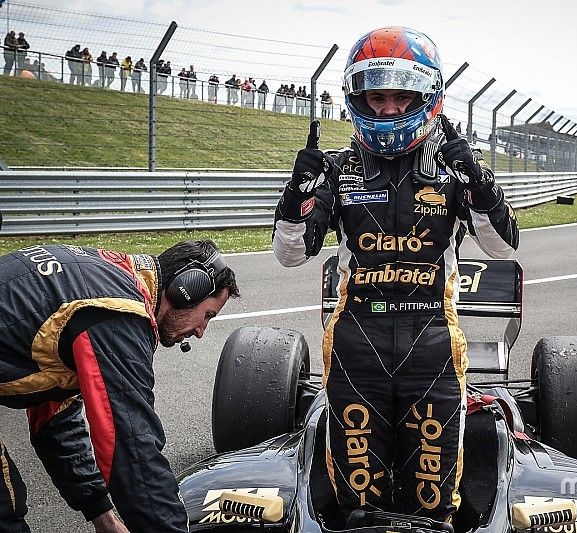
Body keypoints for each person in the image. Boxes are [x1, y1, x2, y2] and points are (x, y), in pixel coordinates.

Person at [272, 26, 519, 524]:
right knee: (359, 497)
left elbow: (500, 248)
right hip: (355, 341)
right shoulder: (339, 170)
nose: (386, 109)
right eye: (376, 97)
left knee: (432, 499)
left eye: (400, 97)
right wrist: (296, 195)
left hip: (432, 342)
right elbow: (292, 255)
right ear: (357, 98)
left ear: (427, 99)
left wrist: (480, 184)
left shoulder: (453, 170)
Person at [0, 240, 240, 532]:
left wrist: (102, 515)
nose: (201, 332)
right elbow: (132, 450)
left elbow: (54, 417)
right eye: (207, 315)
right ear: (186, 288)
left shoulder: (108, 282)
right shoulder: (118, 312)